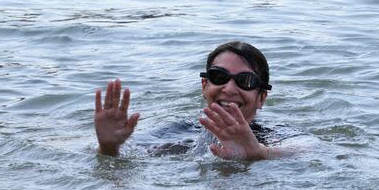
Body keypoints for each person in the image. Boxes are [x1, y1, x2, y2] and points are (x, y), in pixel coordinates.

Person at [94, 41, 286, 160]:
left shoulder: (275, 138)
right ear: (205, 86)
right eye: (219, 77)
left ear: (261, 97)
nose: (229, 89)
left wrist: (260, 154)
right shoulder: (178, 134)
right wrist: (109, 147)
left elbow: (309, 150)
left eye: (245, 81)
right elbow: (127, 164)